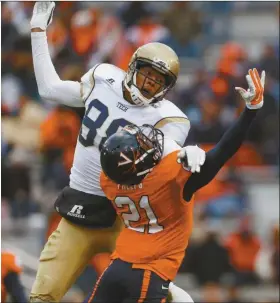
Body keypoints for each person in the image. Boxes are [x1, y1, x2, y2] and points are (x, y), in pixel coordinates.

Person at [29, 2, 204, 302]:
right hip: (80, 209)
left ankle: (173, 295)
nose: (149, 84)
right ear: (133, 67)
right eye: (147, 74)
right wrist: (37, 32)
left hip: (128, 218)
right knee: (43, 295)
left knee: (145, 291)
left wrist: (189, 154)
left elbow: (168, 152)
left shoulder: (171, 118)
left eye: (158, 81)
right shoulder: (103, 76)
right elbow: (49, 89)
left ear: (167, 88)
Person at [83, 67, 265, 302]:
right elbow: (222, 152)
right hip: (150, 271)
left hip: (117, 266)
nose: (151, 145)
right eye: (144, 147)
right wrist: (250, 112)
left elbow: (131, 170)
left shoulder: (108, 179)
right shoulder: (170, 177)